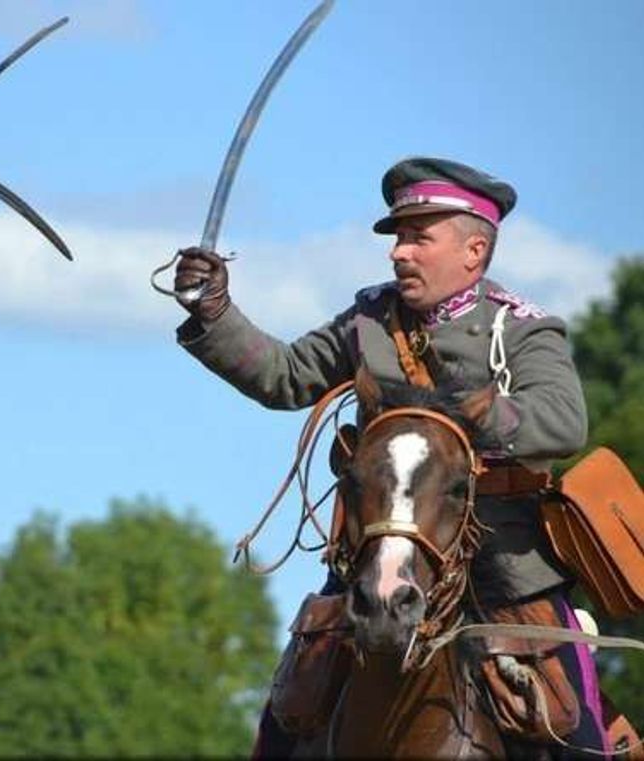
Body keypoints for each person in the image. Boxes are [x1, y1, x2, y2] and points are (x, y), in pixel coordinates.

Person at [172, 156, 608, 757]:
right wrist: (214, 312)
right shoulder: (369, 319)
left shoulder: (522, 330)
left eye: (418, 237)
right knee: (286, 718)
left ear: (474, 251)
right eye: (399, 237)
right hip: (378, 548)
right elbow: (285, 376)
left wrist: (484, 413)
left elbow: (564, 422)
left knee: (576, 730)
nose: (399, 252)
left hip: (505, 561)